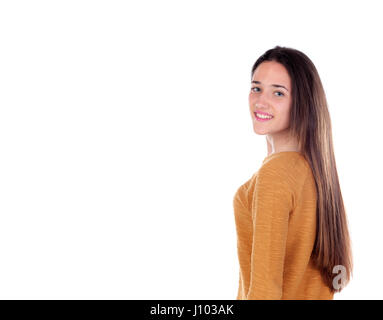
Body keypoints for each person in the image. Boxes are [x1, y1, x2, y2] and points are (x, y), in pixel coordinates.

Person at [233, 46, 353, 300]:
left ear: (302, 102)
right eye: (256, 88)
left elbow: (265, 291)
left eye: (278, 92)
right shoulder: (317, 171)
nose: (260, 101)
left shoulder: (275, 175)